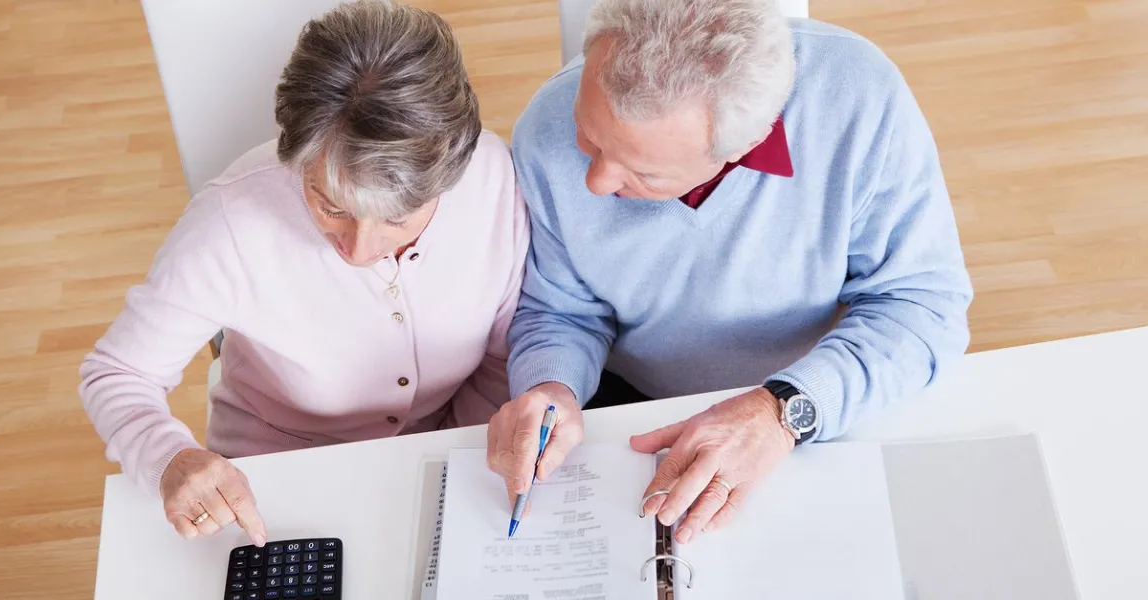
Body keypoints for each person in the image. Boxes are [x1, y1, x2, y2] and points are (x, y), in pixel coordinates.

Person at [488, 0, 973, 545]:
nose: (597, 182)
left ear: (746, 145)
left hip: (815, 395)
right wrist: (551, 385)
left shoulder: (859, 99)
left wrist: (782, 410)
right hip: (633, 402)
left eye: (644, 170)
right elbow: (560, 309)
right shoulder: (545, 127)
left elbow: (922, 305)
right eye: (589, 136)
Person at [80, 0, 528, 546]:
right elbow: (118, 373)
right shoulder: (230, 223)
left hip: (450, 461)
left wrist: (456, 466)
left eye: (396, 218)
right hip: (273, 483)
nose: (361, 250)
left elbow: (503, 356)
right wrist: (169, 456)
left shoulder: (494, 180)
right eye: (331, 206)